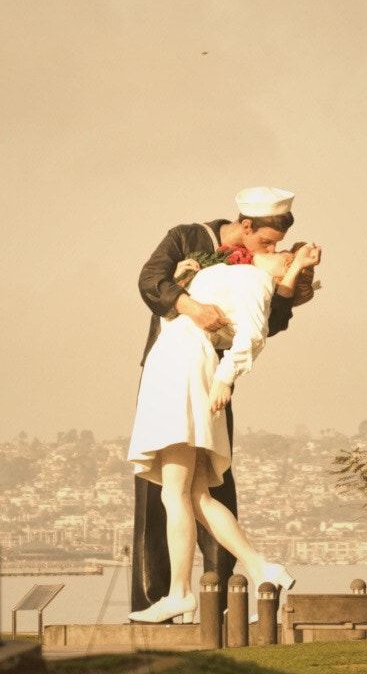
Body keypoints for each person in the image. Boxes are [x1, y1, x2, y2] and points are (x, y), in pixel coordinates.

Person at [129, 186, 320, 613]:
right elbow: (149, 281)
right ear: (246, 227)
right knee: (186, 492)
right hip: (183, 369)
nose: (270, 250)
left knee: (190, 487)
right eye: (266, 243)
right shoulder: (188, 237)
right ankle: (223, 579)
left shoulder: (252, 272)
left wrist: (289, 278)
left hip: (201, 373)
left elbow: (263, 327)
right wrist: (189, 304)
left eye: (276, 248)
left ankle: (207, 591)